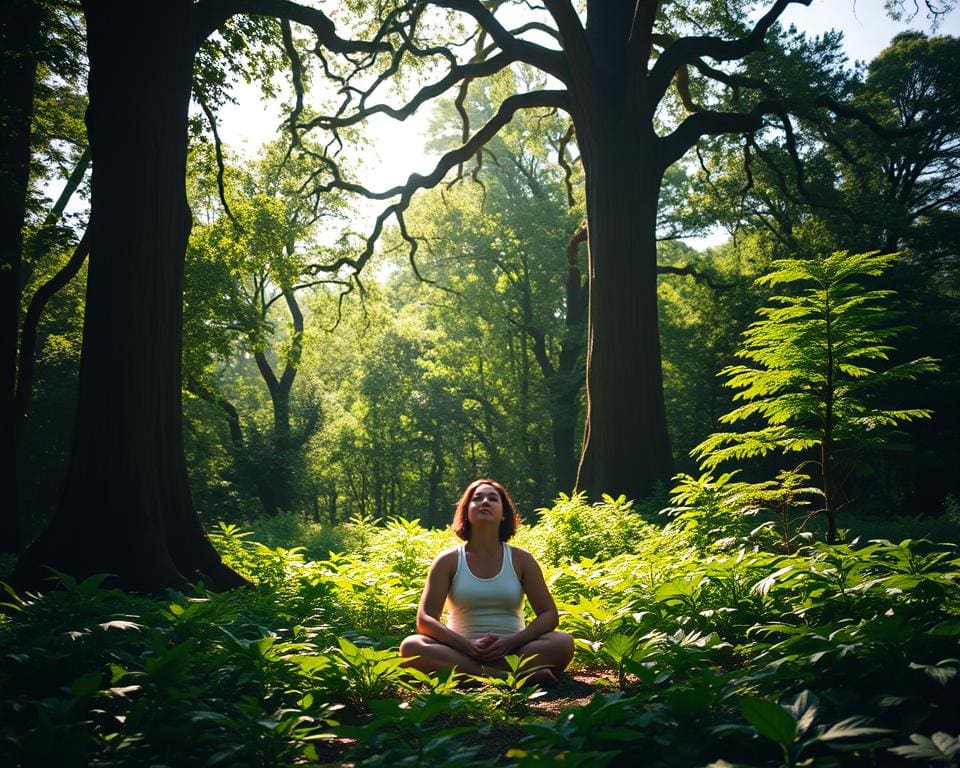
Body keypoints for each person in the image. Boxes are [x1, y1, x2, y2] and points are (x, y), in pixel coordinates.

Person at [399, 479, 574, 683]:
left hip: (514, 651)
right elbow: (425, 619)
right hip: (460, 650)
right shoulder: (448, 561)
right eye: (477, 498)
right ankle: (506, 676)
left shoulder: (521, 559)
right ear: (466, 512)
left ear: (503, 514)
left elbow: (549, 614)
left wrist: (509, 644)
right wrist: (468, 646)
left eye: (492, 499)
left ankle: (471, 675)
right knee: (411, 646)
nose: (484, 502)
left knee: (563, 642)